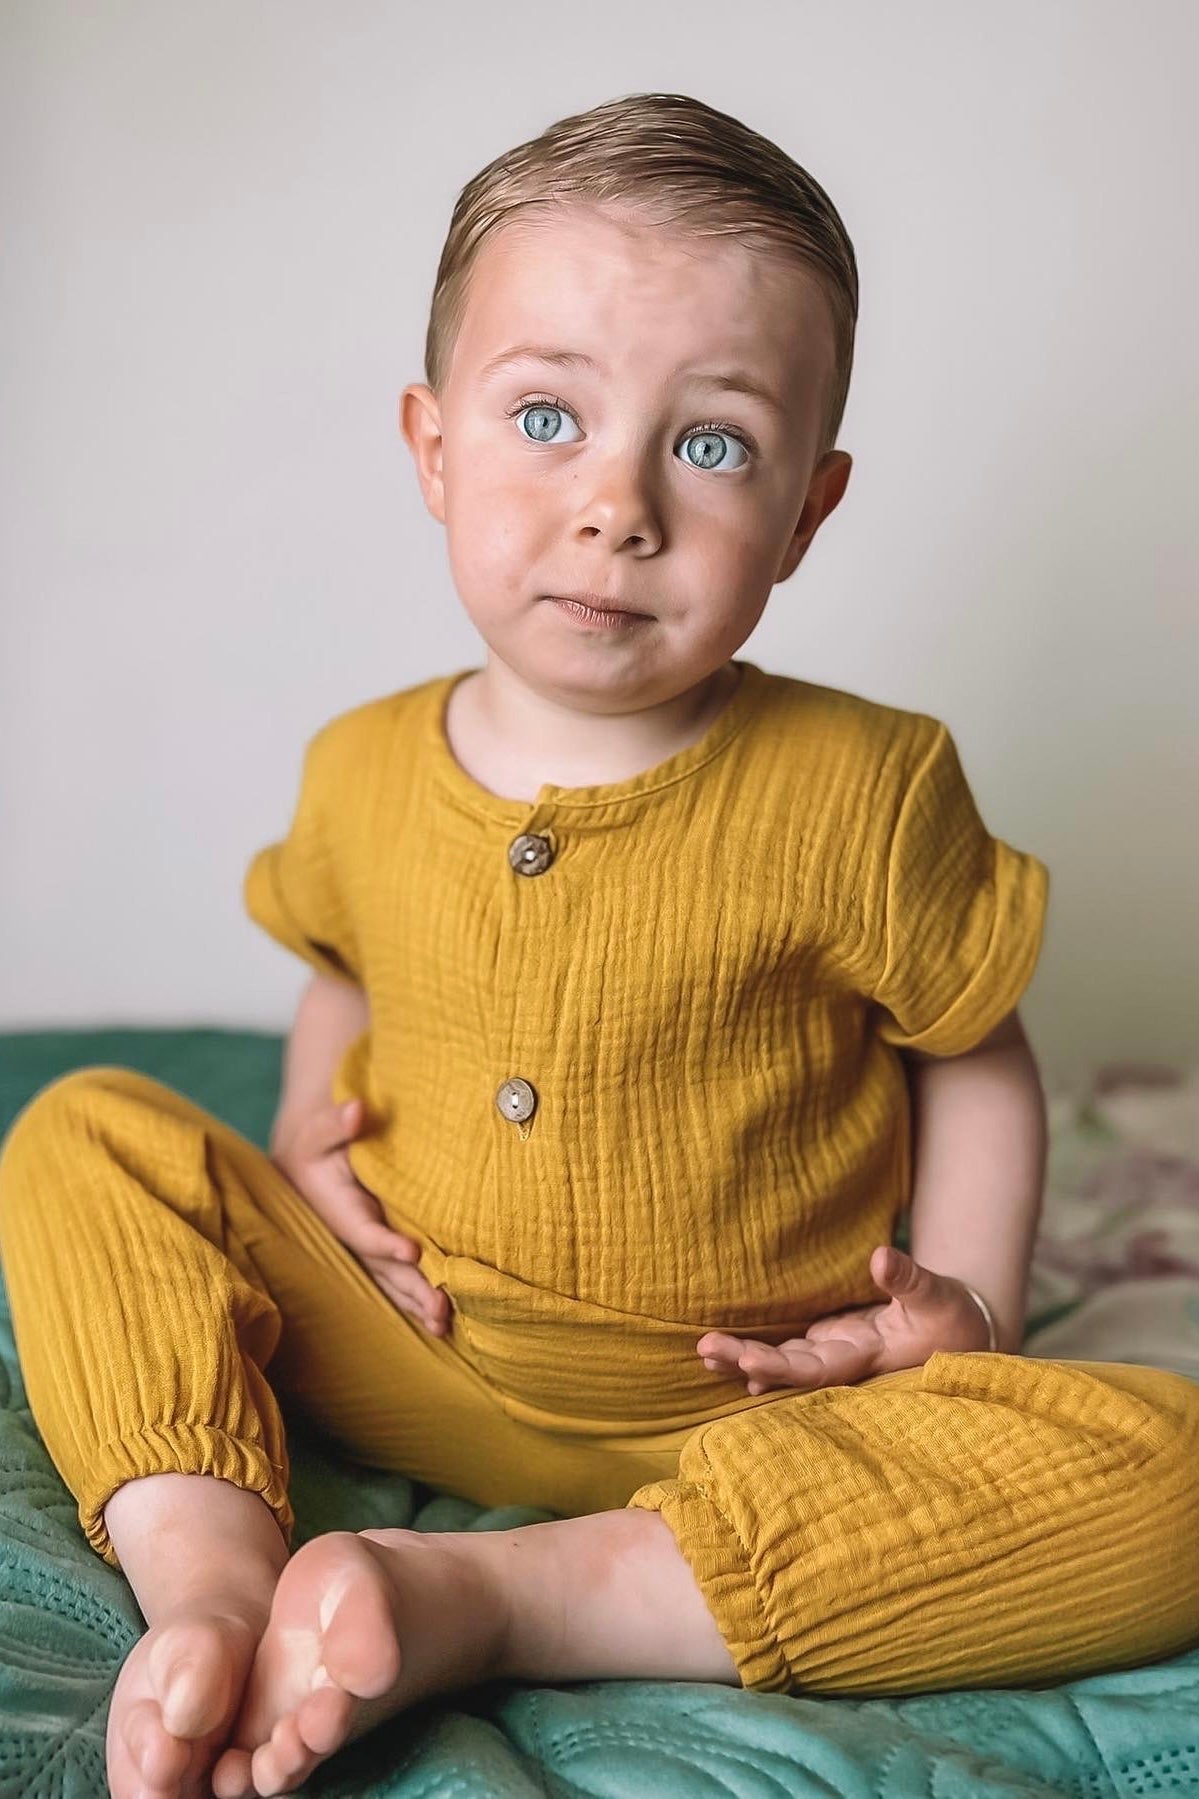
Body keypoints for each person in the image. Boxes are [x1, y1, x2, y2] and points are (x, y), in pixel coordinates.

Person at [2, 89, 1197, 1799]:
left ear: (807, 512)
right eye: (547, 416)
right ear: (433, 450)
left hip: (761, 1402)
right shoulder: (360, 767)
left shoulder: (869, 786)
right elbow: (342, 969)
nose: (618, 505)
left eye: (712, 445)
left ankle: (510, 1598)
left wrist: (969, 1314)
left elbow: (973, 1048)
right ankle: (214, 1575)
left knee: (1171, 1478)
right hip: (409, 1344)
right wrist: (308, 1138)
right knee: (82, 1136)